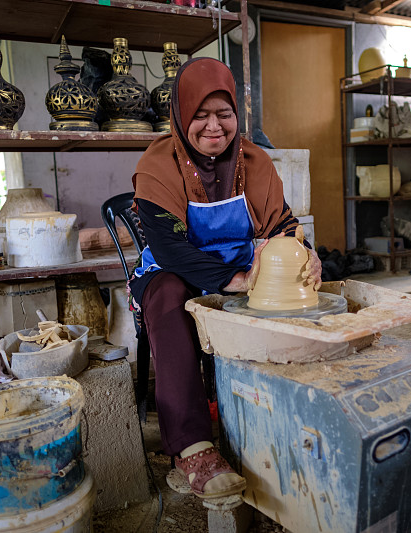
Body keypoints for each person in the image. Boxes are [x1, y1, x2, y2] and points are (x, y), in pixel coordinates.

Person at [129, 57, 322, 499]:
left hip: (242, 269)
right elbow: (169, 248)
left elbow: (284, 225)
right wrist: (232, 280)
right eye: (200, 115)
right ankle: (192, 447)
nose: (213, 127)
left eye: (224, 114)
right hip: (174, 269)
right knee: (170, 295)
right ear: (181, 116)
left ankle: (271, 422)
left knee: (292, 286)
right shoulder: (157, 164)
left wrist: (307, 255)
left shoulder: (254, 161)